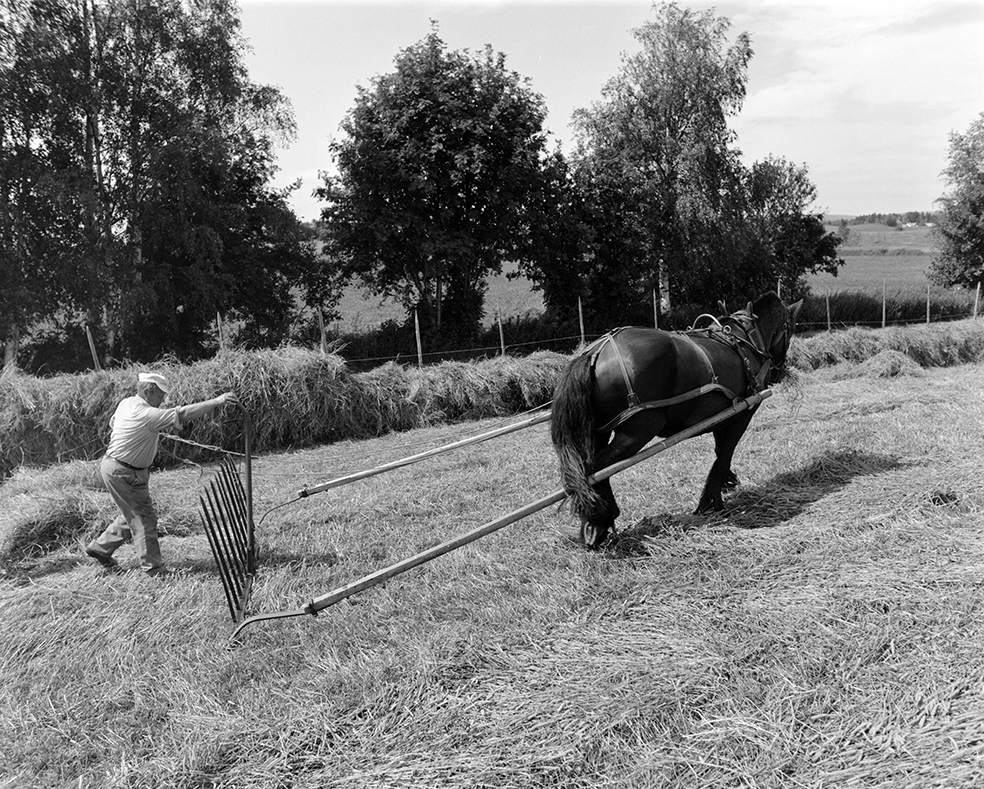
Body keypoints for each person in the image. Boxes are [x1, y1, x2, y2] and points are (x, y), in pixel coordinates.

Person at [85, 372, 240, 576]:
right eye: (160, 395)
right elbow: (183, 414)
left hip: (115, 466)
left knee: (133, 512)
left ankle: (100, 548)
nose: (163, 399)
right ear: (148, 390)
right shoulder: (148, 414)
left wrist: (140, 438)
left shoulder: (126, 403)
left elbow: (113, 423)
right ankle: (154, 570)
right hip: (125, 471)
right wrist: (217, 401)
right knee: (144, 518)